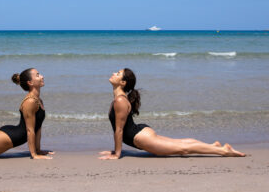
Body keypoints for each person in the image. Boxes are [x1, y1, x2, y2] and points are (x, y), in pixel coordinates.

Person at [99, 68, 246, 159]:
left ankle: (223, 151)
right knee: (179, 143)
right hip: (141, 133)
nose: (113, 73)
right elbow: (120, 128)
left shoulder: (120, 100)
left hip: (141, 138)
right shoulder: (120, 99)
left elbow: (119, 130)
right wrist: (117, 151)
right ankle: (212, 145)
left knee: (182, 149)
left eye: (118, 73)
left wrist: (117, 154)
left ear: (123, 83)